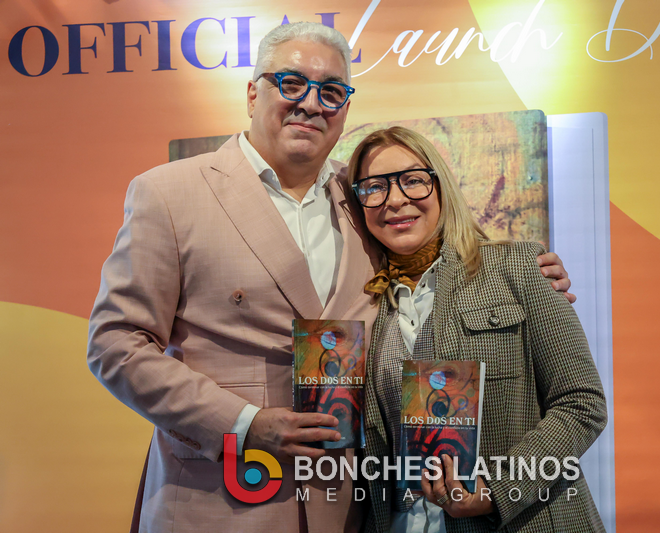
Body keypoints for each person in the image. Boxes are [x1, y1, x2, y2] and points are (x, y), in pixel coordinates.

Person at [87, 22, 574, 533]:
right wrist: (243, 424)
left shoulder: (366, 194)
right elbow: (116, 344)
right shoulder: (169, 192)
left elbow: (447, 253)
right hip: (219, 496)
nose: (311, 103)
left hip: (347, 503)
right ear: (252, 93)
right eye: (292, 83)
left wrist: (529, 273)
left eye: (331, 91)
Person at [347, 127, 607, 533]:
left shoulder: (518, 267)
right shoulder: (366, 304)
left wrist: (497, 490)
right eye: (375, 187)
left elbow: (582, 403)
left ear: (441, 186)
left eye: (412, 180)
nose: (395, 200)